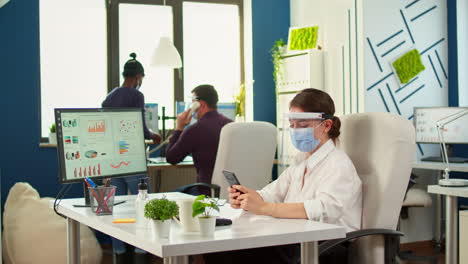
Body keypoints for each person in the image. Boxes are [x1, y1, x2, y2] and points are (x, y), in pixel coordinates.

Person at [205, 88, 363, 264]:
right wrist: (247, 198)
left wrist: (264, 208)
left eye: (303, 126)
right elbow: (271, 194)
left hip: (325, 247)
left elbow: (322, 211)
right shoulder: (301, 161)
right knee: (219, 248)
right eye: (292, 125)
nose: (296, 131)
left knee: (229, 251)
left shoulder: (339, 165)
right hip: (295, 239)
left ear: (326, 125)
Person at [102, 53, 159, 264]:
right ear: (137, 77)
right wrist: (154, 135)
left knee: (114, 207)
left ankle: (119, 253)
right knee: (142, 206)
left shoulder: (110, 96)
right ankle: (141, 253)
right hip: (131, 158)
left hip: (111, 159)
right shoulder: (136, 95)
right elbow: (140, 128)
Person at [166, 84, 232, 195]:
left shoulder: (195, 130)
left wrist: (179, 128)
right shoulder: (230, 125)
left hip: (206, 191)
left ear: (200, 104)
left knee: (170, 195)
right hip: (229, 191)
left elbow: (171, 158)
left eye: (192, 102)